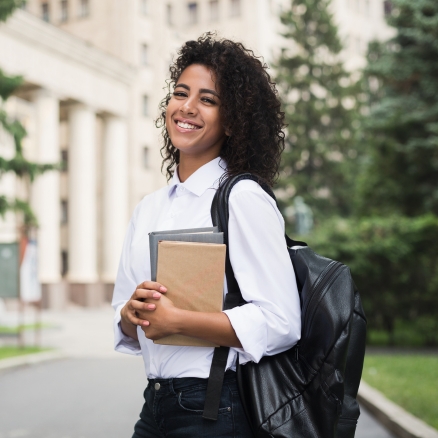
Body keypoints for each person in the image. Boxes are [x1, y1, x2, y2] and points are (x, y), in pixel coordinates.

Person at [112, 33, 301, 438]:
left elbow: (282, 321)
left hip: (215, 410)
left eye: (208, 100)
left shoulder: (241, 198)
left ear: (232, 122)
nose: (188, 107)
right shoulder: (148, 208)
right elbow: (124, 317)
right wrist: (131, 315)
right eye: (181, 93)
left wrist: (181, 321)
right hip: (156, 406)